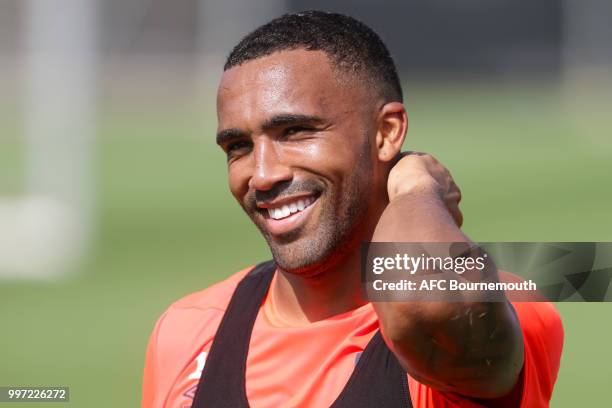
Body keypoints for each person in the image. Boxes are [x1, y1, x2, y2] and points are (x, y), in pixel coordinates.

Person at [142, 10, 563, 408]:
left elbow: (429, 306)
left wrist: (416, 189)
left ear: (386, 132)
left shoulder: (509, 302)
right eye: (239, 146)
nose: (262, 175)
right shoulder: (188, 329)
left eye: (294, 131)